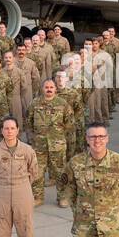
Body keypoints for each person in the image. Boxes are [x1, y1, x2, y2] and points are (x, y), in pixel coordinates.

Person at [26, 79, 74, 207]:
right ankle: (37, 197)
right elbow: (28, 122)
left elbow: (69, 123)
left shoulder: (62, 104)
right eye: (46, 87)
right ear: (42, 89)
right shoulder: (34, 103)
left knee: (60, 172)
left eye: (51, 87)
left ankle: (63, 197)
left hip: (57, 145)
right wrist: (32, 139)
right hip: (39, 145)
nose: (49, 89)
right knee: (37, 172)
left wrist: (59, 135)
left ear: (55, 89)